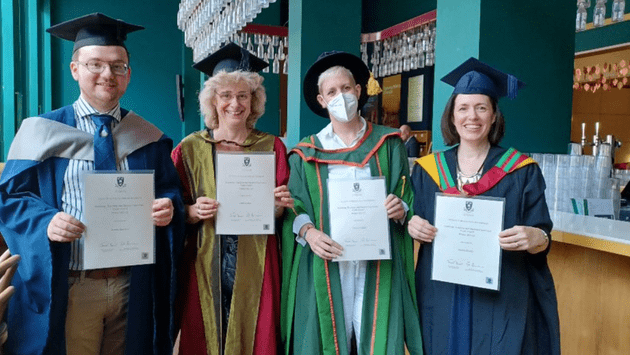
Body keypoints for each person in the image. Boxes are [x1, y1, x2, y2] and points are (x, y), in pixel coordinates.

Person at [0, 13, 185, 355]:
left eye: (118, 66)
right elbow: (8, 200)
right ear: (75, 69)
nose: (107, 74)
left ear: (128, 73)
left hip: (131, 284)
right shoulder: (40, 132)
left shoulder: (149, 138)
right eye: (95, 64)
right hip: (72, 284)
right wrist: (46, 220)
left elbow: (170, 193)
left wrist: (169, 207)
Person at [407, 57, 560, 355]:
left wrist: (535, 238)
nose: (471, 117)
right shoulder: (427, 170)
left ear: (493, 116)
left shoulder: (521, 170)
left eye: (481, 108)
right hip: (443, 292)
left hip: (502, 293)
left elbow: (543, 236)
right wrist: (412, 223)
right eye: (463, 108)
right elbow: (413, 219)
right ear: (452, 117)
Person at [281, 51, 423, 355]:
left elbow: (407, 197)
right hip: (327, 261)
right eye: (331, 92)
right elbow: (295, 205)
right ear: (321, 100)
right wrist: (309, 233)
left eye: (346, 89)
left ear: (359, 91)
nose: (340, 97)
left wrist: (401, 210)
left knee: (378, 340)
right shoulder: (305, 153)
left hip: (378, 265)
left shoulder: (389, 144)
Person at [171, 43, 294, 355]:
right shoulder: (189, 149)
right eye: (225, 95)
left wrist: (279, 206)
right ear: (213, 100)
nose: (235, 104)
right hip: (205, 256)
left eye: (243, 95)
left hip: (256, 255)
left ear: (254, 101)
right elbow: (171, 208)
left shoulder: (272, 147)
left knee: (256, 333)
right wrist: (192, 211)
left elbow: (281, 209)